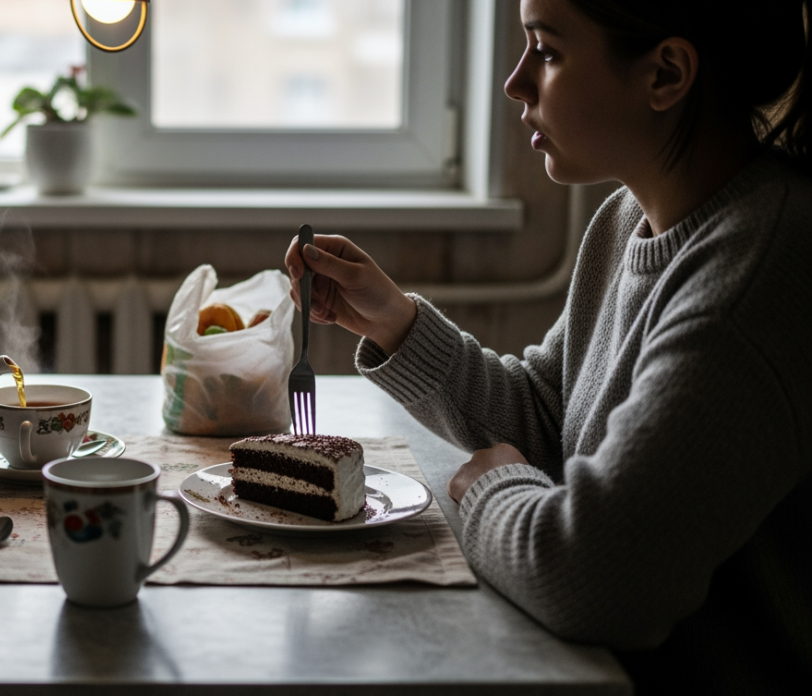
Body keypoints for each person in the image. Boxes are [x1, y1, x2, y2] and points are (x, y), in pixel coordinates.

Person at [286, 0, 810, 692]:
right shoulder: (629, 219)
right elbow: (550, 417)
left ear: (667, 74)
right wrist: (396, 323)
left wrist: (488, 490)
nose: (516, 82)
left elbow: (597, 577)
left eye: (548, 50)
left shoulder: (755, 276)